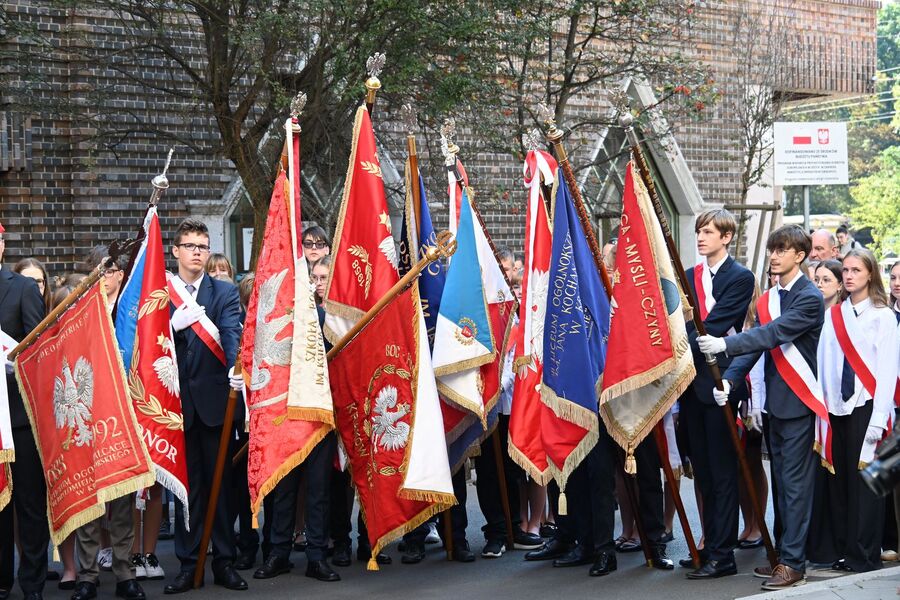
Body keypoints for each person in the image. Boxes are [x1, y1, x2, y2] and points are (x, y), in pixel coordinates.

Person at [699, 225, 825, 591]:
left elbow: (773, 334)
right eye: (772, 249)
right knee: (784, 485)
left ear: (799, 256)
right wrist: (730, 380)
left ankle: (793, 563)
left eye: (781, 250)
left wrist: (725, 345)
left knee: (796, 486)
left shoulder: (809, 297)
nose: (773, 256)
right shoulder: (770, 297)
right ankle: (786, 557)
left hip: (800, 403)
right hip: (775, 404)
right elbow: (756, 349)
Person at [163, 220, 246, 595]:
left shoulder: (223, 292)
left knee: (219, 487)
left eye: (203, 245)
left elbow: (231, 331)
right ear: (176, 251)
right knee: (186, 489)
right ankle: (188, 562)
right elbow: (150, 343)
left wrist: (234, 366)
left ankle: (225, 562)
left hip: (215, 402)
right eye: (190, 245)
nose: (197, 251)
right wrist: (171, 326)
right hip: (175, 403)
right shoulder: (161, 294)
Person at [679, 209, 755, 580]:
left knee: (723, 472)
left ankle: (723, 555)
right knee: (705, 472)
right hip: (693, 386)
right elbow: (680, 321)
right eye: (698, 231)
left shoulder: (740, 277)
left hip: (721, 383)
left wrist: (675, 353)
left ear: (726, 237)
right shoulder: (689, 277)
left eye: (708, 231)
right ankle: (711, 543)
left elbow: (717, 324)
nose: (701, 237)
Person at [812, 249, 899, 573]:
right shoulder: (835, 315)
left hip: (868, 407)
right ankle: (845, 550)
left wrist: (879, 420)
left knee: (867, 485)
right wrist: (824, 407)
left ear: (870, 274)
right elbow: (827, 363)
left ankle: (864, 555)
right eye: (845, 270)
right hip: (837, 408)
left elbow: (888, 370)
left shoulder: (883, 316)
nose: (848, 276)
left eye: (856, 270)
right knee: (842, 483)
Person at [71, 253, 146, 600]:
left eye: (112, 269)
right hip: (86, 415)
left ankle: (124, 573)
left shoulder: (130, 310)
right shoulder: (79, 312)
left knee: (120, 503)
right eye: (101, 270)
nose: (107, 275)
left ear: (121, 275)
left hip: (122, 415)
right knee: (89, 501)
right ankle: (86, 576)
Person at [0, 222, 49, 600]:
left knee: (29, 502)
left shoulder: (22, 289)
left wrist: (12, 362)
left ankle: (32, 581)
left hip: (16, 415)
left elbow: (38, 350)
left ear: (2, 246)